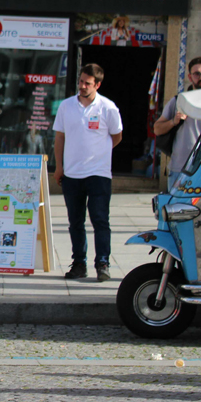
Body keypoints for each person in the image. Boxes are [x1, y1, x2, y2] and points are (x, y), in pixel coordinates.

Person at [52, 64, 123, 282]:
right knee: (75, 222)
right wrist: (59, 166)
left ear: (97, 85)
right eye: (81, 81)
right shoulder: (66, 106)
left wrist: (100, 152)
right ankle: (79, 264)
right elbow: (60, 137)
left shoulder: (108, 108)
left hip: (98, 174)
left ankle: (102, 263)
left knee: (100, 220)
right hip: (72, 173)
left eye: (88, 83)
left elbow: (117, 136)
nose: (82, 86)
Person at [154, 57, 201, 188]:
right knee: (176, 207)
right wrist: (173, 122)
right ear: (190, 77)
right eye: (197, 74)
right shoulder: (178, 101)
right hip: (180, 169)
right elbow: (157, 129)